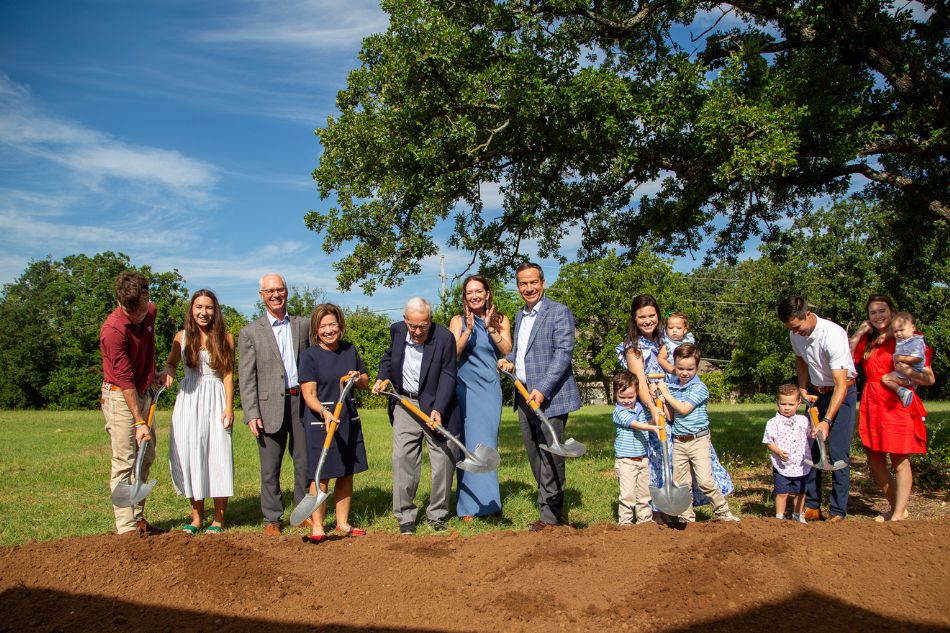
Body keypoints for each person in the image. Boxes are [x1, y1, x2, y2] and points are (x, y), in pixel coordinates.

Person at [616, 295, 733, 515]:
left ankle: (687, 508)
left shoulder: (668, 339)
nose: (648, 320)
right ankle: (661, 512)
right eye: (642, 317)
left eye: (652, 315)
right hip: (653, 407)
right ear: (634, 318)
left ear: (658, 316)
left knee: (686, 459)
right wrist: (653, 407)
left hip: (676, 405)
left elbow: (684, 365)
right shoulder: (633, 348)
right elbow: (640, 380)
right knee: (659, 457)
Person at [497, 262, 581, 531]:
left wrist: (542, 389)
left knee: (552, 454)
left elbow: (563, 354)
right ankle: (548, 503)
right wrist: (508, 361)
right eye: (523, 283)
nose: (528, 288)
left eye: (533, 282)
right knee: (535, 454)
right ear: (518, 286)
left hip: (550, 397)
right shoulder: (521, 315)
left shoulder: (558, 312)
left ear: (543, 283)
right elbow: (522, 352)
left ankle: (551, 516)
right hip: (523, 395)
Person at [372, 297, 460, 535]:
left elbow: (449, 374)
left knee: (442, 459)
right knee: (403, 459)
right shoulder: (397, 330)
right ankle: (405, 516)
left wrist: (438, 408)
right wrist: (383, 377)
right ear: (405, 321)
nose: (418, 331)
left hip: (436, 404)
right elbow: (389, 357)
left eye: (423, 325)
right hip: (405, 402)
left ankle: (437, 515)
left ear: (430, 321)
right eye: (413, 326)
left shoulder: (444, 338)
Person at [238, 273, 311, 535]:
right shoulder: (250, 332)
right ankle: (272, 518)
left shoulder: (303, 325)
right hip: (267, 407)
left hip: (300, 403)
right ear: (261, 296)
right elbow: (246, 378)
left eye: (279, 289)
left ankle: (303, 511)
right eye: (270, 291)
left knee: (304, 462)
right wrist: (251, 413)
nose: (275, 295)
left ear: (287, 292)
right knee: (270, 467)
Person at [850, 296, 933, 522]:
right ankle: (897, 505)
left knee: (899, 459)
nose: (878, 316)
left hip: (895, 402)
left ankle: (897, 515)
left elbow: (929, 378)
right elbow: (847, 360)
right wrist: (859, 333)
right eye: (873, 312)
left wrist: (906, 373)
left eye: (882, 310)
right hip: (872, 402)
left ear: (892, 312)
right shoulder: (868, 341)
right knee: (874, 459)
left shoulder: (907, 339)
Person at [99, 270, 168, 536]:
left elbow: (146, 351)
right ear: (120, 303)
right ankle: (126, 527)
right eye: (133, 312)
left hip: (143, 390)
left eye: (141, 309)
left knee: (146, 456)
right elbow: (125, 380)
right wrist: (139, 420)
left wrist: (153, 376)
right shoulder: (113, 331)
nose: (139, 315)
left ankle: (139, 517)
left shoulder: (150, 311)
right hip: (120, 395)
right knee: (126, 459)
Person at [778, 295, 858, 523]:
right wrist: (802, 388)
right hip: (816, 393)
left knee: (838, 451)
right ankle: (812, 506)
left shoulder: (833, 335)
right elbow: (800, 359)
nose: (795, 332)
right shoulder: (795, 333)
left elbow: (841, 384)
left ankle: (837, 511)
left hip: (842, 392)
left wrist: (827, 421)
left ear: (808, 315)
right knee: (810, 449)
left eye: (797, 326)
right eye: (790, 328)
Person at [164, 289, 235, 534]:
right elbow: (171, 363)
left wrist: (229, 407)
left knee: (217, 455)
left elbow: (227, 374)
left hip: (215, 398)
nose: (203, 312)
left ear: (215, 311)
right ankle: (196, 518)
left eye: (209, 308)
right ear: (192, 310)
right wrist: (170, 371)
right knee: (191, 454)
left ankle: (218, 519)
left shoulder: (225, 337)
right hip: (189, 399)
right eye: (199, 307)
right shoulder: (181, 337)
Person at [298, 304, 370, 544]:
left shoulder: (350, 350)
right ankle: (317, 525)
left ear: (340, 326)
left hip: (348, 418)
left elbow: (365, 381)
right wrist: (325, 413)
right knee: (321, 476)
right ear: (316, 330)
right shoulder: (310, 356)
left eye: (332, 324)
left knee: (346, 472)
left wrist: (357, 377)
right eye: (323, 326)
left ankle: (342, 523)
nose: (328, 330)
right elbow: (308, 394)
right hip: (322, 420)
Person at [449, 275, 512, 522]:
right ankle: (468, 507)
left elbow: (507, 350)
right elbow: (452, 353)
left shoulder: (500, 319)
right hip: (465, 388)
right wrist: (469, 330)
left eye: (479, 291)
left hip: (490, 389)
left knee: (488, 443)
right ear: (465, 297)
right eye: (469, 292)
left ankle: (491, 504)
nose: (474, 295)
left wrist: (489, 328)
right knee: (468, 445)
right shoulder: (457, 321)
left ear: (487, 294)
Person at [657, 344, 740, 522]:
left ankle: (723, 512)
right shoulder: (673, 387)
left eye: (690, 369)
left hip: (698, 440)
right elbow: (671, 415)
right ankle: (687, 517)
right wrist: (660, 399)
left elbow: (684, 409)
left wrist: (666, 393)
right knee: (681, 482)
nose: (684, 373)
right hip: (679, 441)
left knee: (705, 481)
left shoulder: (699, 388)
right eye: (680, 368)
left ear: (697, 367)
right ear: (675, 365)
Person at [612, 372, 661, 525]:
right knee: (627, 495)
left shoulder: (640, 408)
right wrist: (652, 428)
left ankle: (644, 520)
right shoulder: (619, 412)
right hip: (626, 461)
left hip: (643, 458)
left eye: (630, 397)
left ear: (636, 394)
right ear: (615, 395)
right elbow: (635, 424)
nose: (626, 401)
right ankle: (625, 522)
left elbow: (648, 421)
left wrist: (656, 415)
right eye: (622, 397)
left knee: (644, 494)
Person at [762, 384, 811, 523]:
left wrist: (815, 420)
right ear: (777, 402)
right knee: (782, 492)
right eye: (783, 404)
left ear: (799, 403)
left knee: (800, 492)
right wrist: (777, 450)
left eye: (791, 404)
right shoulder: (773, 423)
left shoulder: (803, 420)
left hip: (801, 464)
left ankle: (798, 515)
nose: (787, 407)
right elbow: (768, 441)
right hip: (782, 465)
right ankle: (779, 517)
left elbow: (811, 434)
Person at [880, 312, 927, 407]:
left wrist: (901, 358)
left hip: (911, 373)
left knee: (885, 379)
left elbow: (918, 358)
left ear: (913, 328)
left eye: (901, 330)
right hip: (904, 372)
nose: (898, 333)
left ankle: (903, 392)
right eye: (895, 331)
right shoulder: (904, 339)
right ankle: (905, 390)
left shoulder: (916, 342)